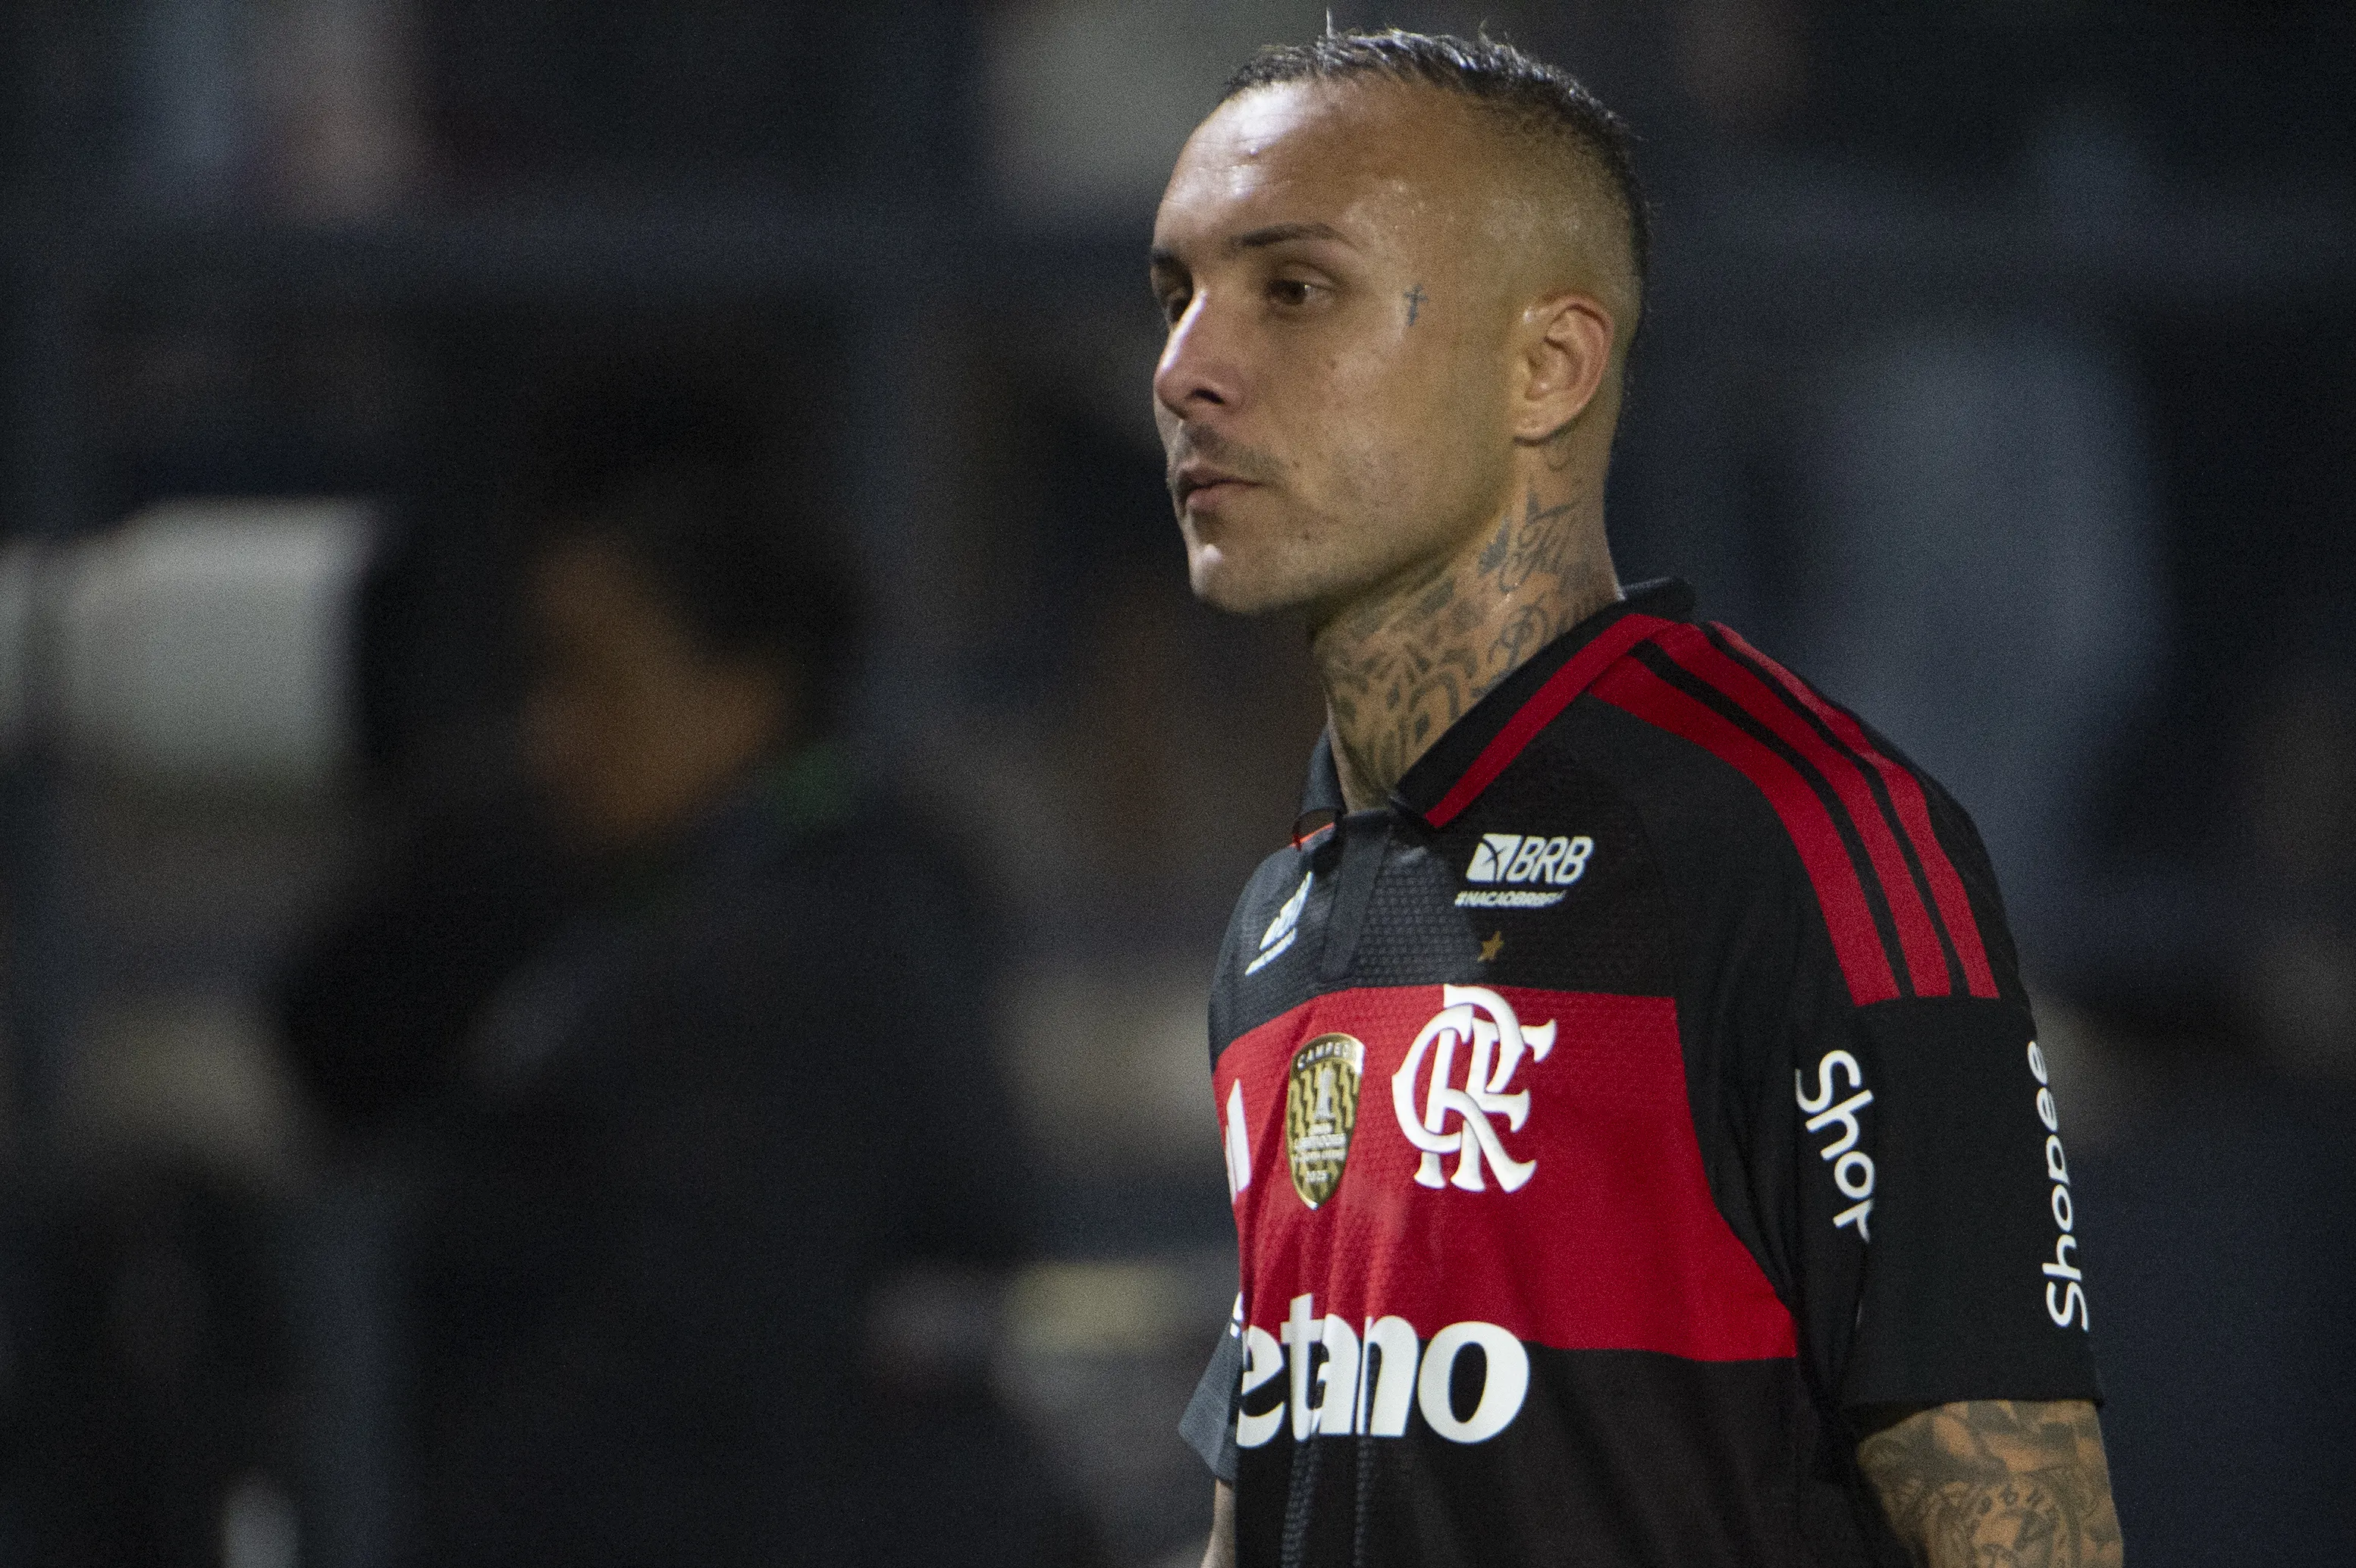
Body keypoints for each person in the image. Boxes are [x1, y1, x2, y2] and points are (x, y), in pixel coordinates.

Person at [1151, 31, 2121, 1568]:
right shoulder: (1287, 909)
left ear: (1547, 366)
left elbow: (2027, 1538)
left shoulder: (1804, 833)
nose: (1184, 368)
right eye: (1175, 292)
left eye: (1291, 289)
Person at [402, 373, 1078, 1566]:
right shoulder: (679, 902)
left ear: (740, 689)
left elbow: (714, 1361)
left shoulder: (802, 950)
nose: (550, 736)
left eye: (595, 679)